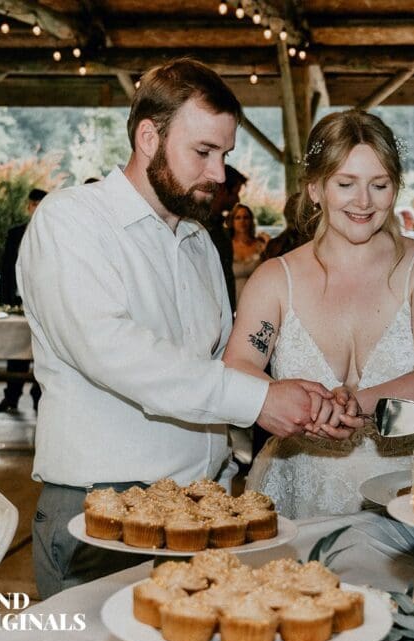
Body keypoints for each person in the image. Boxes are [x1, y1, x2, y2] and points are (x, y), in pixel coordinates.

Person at [17, 58, 331, 597]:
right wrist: (257, 402)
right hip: (104, 513)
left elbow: (218, 361)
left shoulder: (198, 241)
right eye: (203, 152)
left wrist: (303, 396)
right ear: (147, 137)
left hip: (204, 505)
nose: (218, 173)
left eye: (224, 155)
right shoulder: (70, 221)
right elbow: (116, 353)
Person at [223, 109, 414, 518]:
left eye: (379, 184)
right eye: (346, 184)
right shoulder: (275, 278)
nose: (364, 202)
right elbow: (239, 365)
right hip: (300, 487)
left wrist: (353, 401)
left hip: (410, 488)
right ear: (315, 189)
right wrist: (287, 402)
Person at [0, 187, 46, 414]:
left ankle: (38, 396)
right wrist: (4, 299)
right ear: (29, 206)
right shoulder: (16, 233)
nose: (36, 208)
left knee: (41, 352)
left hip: (43, 303)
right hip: (17, 301)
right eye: (33, 204)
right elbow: (6, 269)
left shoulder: (52, 232)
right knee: (16, 351)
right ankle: (11, 396)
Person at [206, 165, 248, 311]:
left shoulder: (220, 228)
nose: (237, 199)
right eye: (235, 193)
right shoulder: (199, 228)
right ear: (222, 189)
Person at [228, 202, 269, 303]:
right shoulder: (226, 246)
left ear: (251, 221)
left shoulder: (260, 245)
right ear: (232, 221)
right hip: (232, 302)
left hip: (258, 300)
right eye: (238, 217)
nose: (242, 221)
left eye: (246, 217)